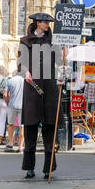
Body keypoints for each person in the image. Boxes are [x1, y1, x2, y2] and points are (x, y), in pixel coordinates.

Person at [18, 12, 61, 179]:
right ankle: (29, 168)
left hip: (49, 88)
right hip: (32, 88)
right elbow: (21, 63)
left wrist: (63, 55)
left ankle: (48, 167)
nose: (48, 25)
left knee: (50, 129)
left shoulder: (53, 42)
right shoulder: (25, 41)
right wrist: (26, 72)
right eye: (45, 22)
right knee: (30, 130)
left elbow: (58, 62)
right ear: (37, 23)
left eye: (49, 22)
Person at [4, 70, 24, 152]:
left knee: (10, 124)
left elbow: (5, 94)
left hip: (12, 105)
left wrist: (8, 102)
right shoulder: (25, 80)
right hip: (23, 106)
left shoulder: (9, 81)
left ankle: (11, 144)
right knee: (22, 126)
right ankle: (20, 146)